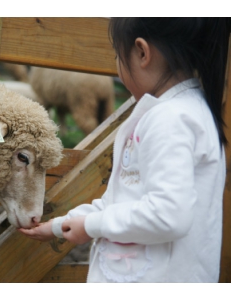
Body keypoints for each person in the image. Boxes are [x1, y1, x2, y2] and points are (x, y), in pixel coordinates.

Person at [18, 18, 231, 283]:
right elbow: (120, 201)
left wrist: (91, 226)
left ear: (142, 53)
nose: (117, 67)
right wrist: (63, 224)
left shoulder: (171, 119)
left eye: (118, 55)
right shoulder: (188, 113)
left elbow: (168, 215)